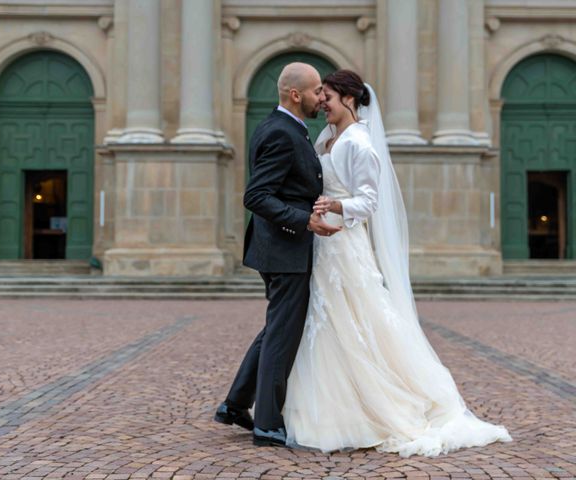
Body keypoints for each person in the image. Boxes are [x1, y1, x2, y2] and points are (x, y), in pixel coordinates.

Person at [282, 69, 512, 457]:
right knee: (327, 321)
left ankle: (372, 407)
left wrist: (336, 204)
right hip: (324, 242)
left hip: (345, 243)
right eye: (321, 96)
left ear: (350, 100)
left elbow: (369, 202)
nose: (323, 102)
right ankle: (326, 404)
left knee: (355, 318)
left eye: (330, 97)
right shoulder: (327, 138)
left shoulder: (359, 143)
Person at [214, 62, 341, 447]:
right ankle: (268, 422)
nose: (323, 97)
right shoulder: (281, 133)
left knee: (276, 328)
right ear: (295, 94)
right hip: (284, 249)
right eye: (318, 90)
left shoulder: (287, 129)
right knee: (283, 333)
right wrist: (303, 221)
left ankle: (235, 404)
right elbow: (256, 196)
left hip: (283, 249)